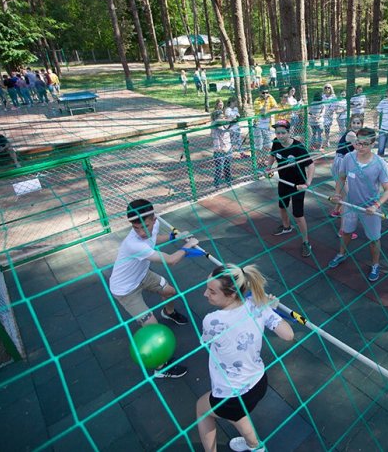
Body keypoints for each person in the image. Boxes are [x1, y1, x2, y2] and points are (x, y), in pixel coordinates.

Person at [196, 263, 293, 452]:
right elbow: (288, 335)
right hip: (259, 383)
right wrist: (268, 309)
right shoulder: (258, 306)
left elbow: (205, 342)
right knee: (239, 416)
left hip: (231, 395)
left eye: (212, 291)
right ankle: (255, 446)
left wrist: (265, 307)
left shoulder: (212, 320)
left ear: (232, 294)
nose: (205, 294)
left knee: (202, 410)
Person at [109, 199, 200, 378]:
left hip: (142, 275)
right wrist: (187, 246)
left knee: (170, 292)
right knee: (153, 329)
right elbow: (171, 260)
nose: (142, 233)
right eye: (136, 228)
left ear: (153, 219)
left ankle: (168, 312)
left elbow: (153, 239)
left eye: (145, 226)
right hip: (125, 290)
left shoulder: (155, 225)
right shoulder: (133, 244)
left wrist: (173, 237)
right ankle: (161, 368)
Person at [328, 127, 388, 282]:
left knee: (374, 239)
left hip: (370, 207)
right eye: (358, 143)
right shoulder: (348, 157)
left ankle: (375, 265)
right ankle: (341, 254)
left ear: (373, 144)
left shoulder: (380, 164)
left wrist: (376, 205)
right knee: (346, 232)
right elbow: (341, 177)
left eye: (365, 144)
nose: (360, 147)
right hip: (350, 204)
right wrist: (337, 194)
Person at [266, 119, 315, 258]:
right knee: (282, 205)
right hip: (283, 181)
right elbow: (272, 155)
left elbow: (311, 165)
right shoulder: (276, 142)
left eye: (283, 133)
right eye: (278, 133)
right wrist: (268, 168)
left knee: (298, 215)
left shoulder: (298, 147)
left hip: (298, 184)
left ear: (289, 132)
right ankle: (286, 227)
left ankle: (306, 242)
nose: (280, 136)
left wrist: (307, 183)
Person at [252, 85, 278, 154]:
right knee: (259, 145)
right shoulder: (257, 101)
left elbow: (276, 108)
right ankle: (258, 159)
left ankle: (265, 158)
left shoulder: (270, 97)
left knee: (268, 144)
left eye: (267, 92)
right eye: (263, 93)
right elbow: (263, 112)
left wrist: (268, 111)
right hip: (258, 125)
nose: (265, 94)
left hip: (267, 125)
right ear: (260, 92)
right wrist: (266, 101)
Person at [211, 108, 232, 187]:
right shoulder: (213, 124)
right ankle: (217, 184)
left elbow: (230, 124)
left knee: (227, 168)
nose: (222, 119)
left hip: (228, 149)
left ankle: (228, 182)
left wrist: (232, 120)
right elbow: (217, 121)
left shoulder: (225, 124)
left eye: (223, 117)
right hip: (219, 151)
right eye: (220, 117)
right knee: (219, 169)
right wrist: (227, 120)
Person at [321, 83, 337, 150]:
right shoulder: (322, 96)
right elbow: (321, 104)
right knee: (321, 128)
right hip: (322, 115)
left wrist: (329, 112)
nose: (327, 89)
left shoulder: (333, 97)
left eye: (329, 87)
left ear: (331, 89)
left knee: (327, 128)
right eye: (326, 87)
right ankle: (322, 141)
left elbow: (334, 105)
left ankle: (327, 141)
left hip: (329, 115)